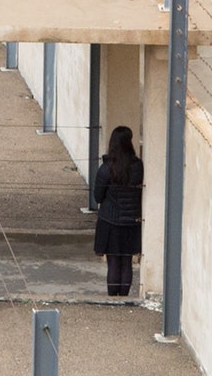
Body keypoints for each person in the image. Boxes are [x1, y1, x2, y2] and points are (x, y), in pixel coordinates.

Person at [93, 126, 143, 297]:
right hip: (131, 222)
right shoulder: (138, 166)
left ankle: (112, 299)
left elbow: (98, 197)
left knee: (113, 262)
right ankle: (124, 298)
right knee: (126, 261)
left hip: (110, 221)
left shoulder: (106, 169)